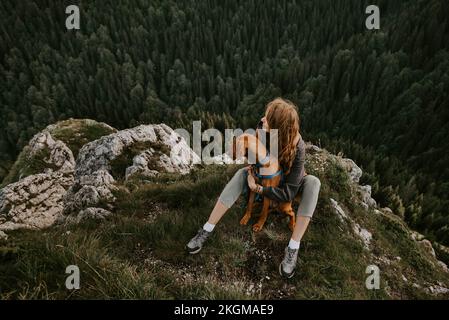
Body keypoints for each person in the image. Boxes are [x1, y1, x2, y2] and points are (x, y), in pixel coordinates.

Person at [186, 98, 321, 278]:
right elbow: (253, 159)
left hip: (288, 185)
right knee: (240, 174)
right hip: (265, 176)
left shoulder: (298, 146)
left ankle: (292, 248)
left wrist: (258, 189)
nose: (262, 120)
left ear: (278, 127)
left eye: (268, 119)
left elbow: (289, 193)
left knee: (314, 182)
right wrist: (251, 170)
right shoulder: (262, 130)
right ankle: (206, 229)